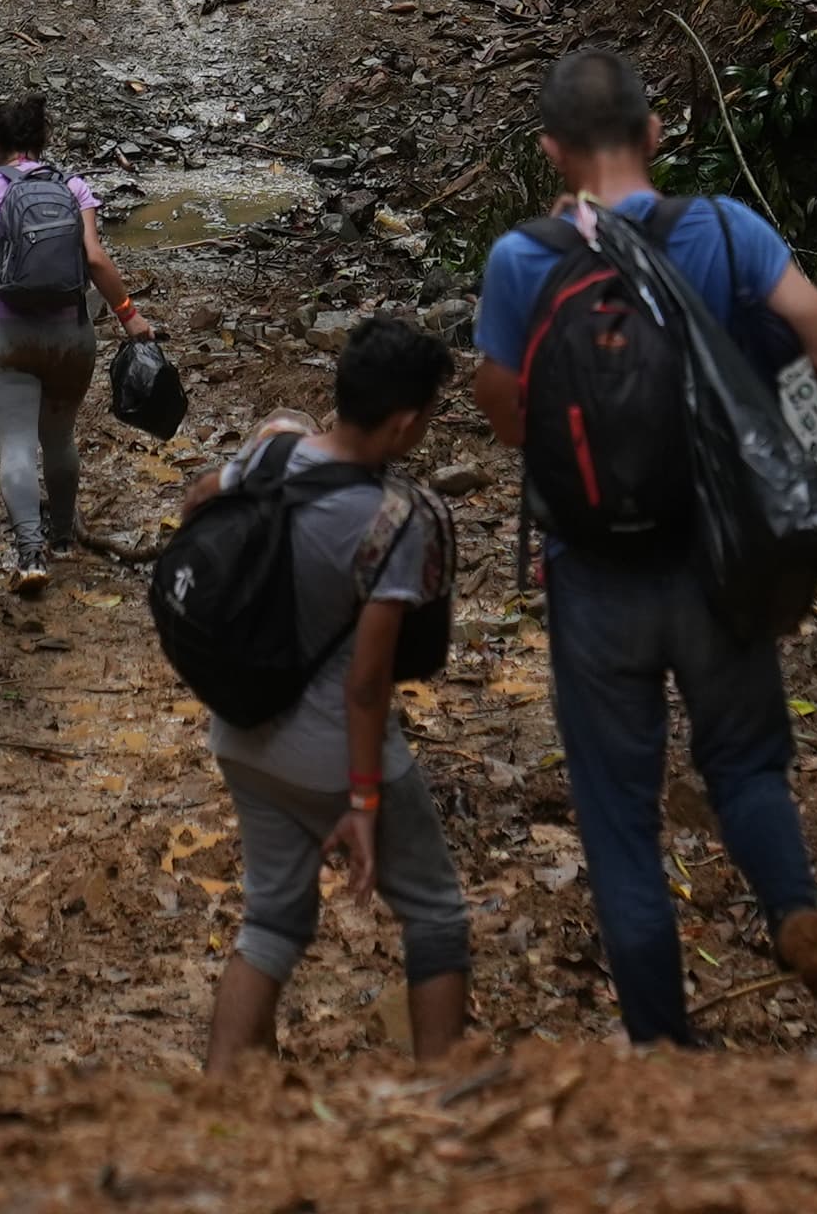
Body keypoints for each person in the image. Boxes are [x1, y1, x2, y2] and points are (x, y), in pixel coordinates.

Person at [470, 47, 817, 1054]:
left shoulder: (523, 258)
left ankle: (665, 1052)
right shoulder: (724, 230)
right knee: (745, 765)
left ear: (551, 152)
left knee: (620, 819)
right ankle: (794, 911)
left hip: (592, 578)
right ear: (657, 134)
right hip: (717, 564)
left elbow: (501, 412)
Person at [185, 317, 470, 1073]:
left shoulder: (274, 455)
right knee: (437, 913)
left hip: (242, 735)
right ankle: (446, 1100)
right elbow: (368, 681)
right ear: (407, 422)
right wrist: (365, 803)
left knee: (272, 923)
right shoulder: (393, 520)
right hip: (330, 754)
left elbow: (199, 503)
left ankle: (216, 1099)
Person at [0, 92, 151, 593]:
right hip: (69, 333)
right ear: (42, 143)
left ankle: (30, 554)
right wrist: (130, 318)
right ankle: (63, 538)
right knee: (60, 438)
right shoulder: (72, 186)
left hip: (1, 334)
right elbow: (95, 260)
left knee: (16, 446)